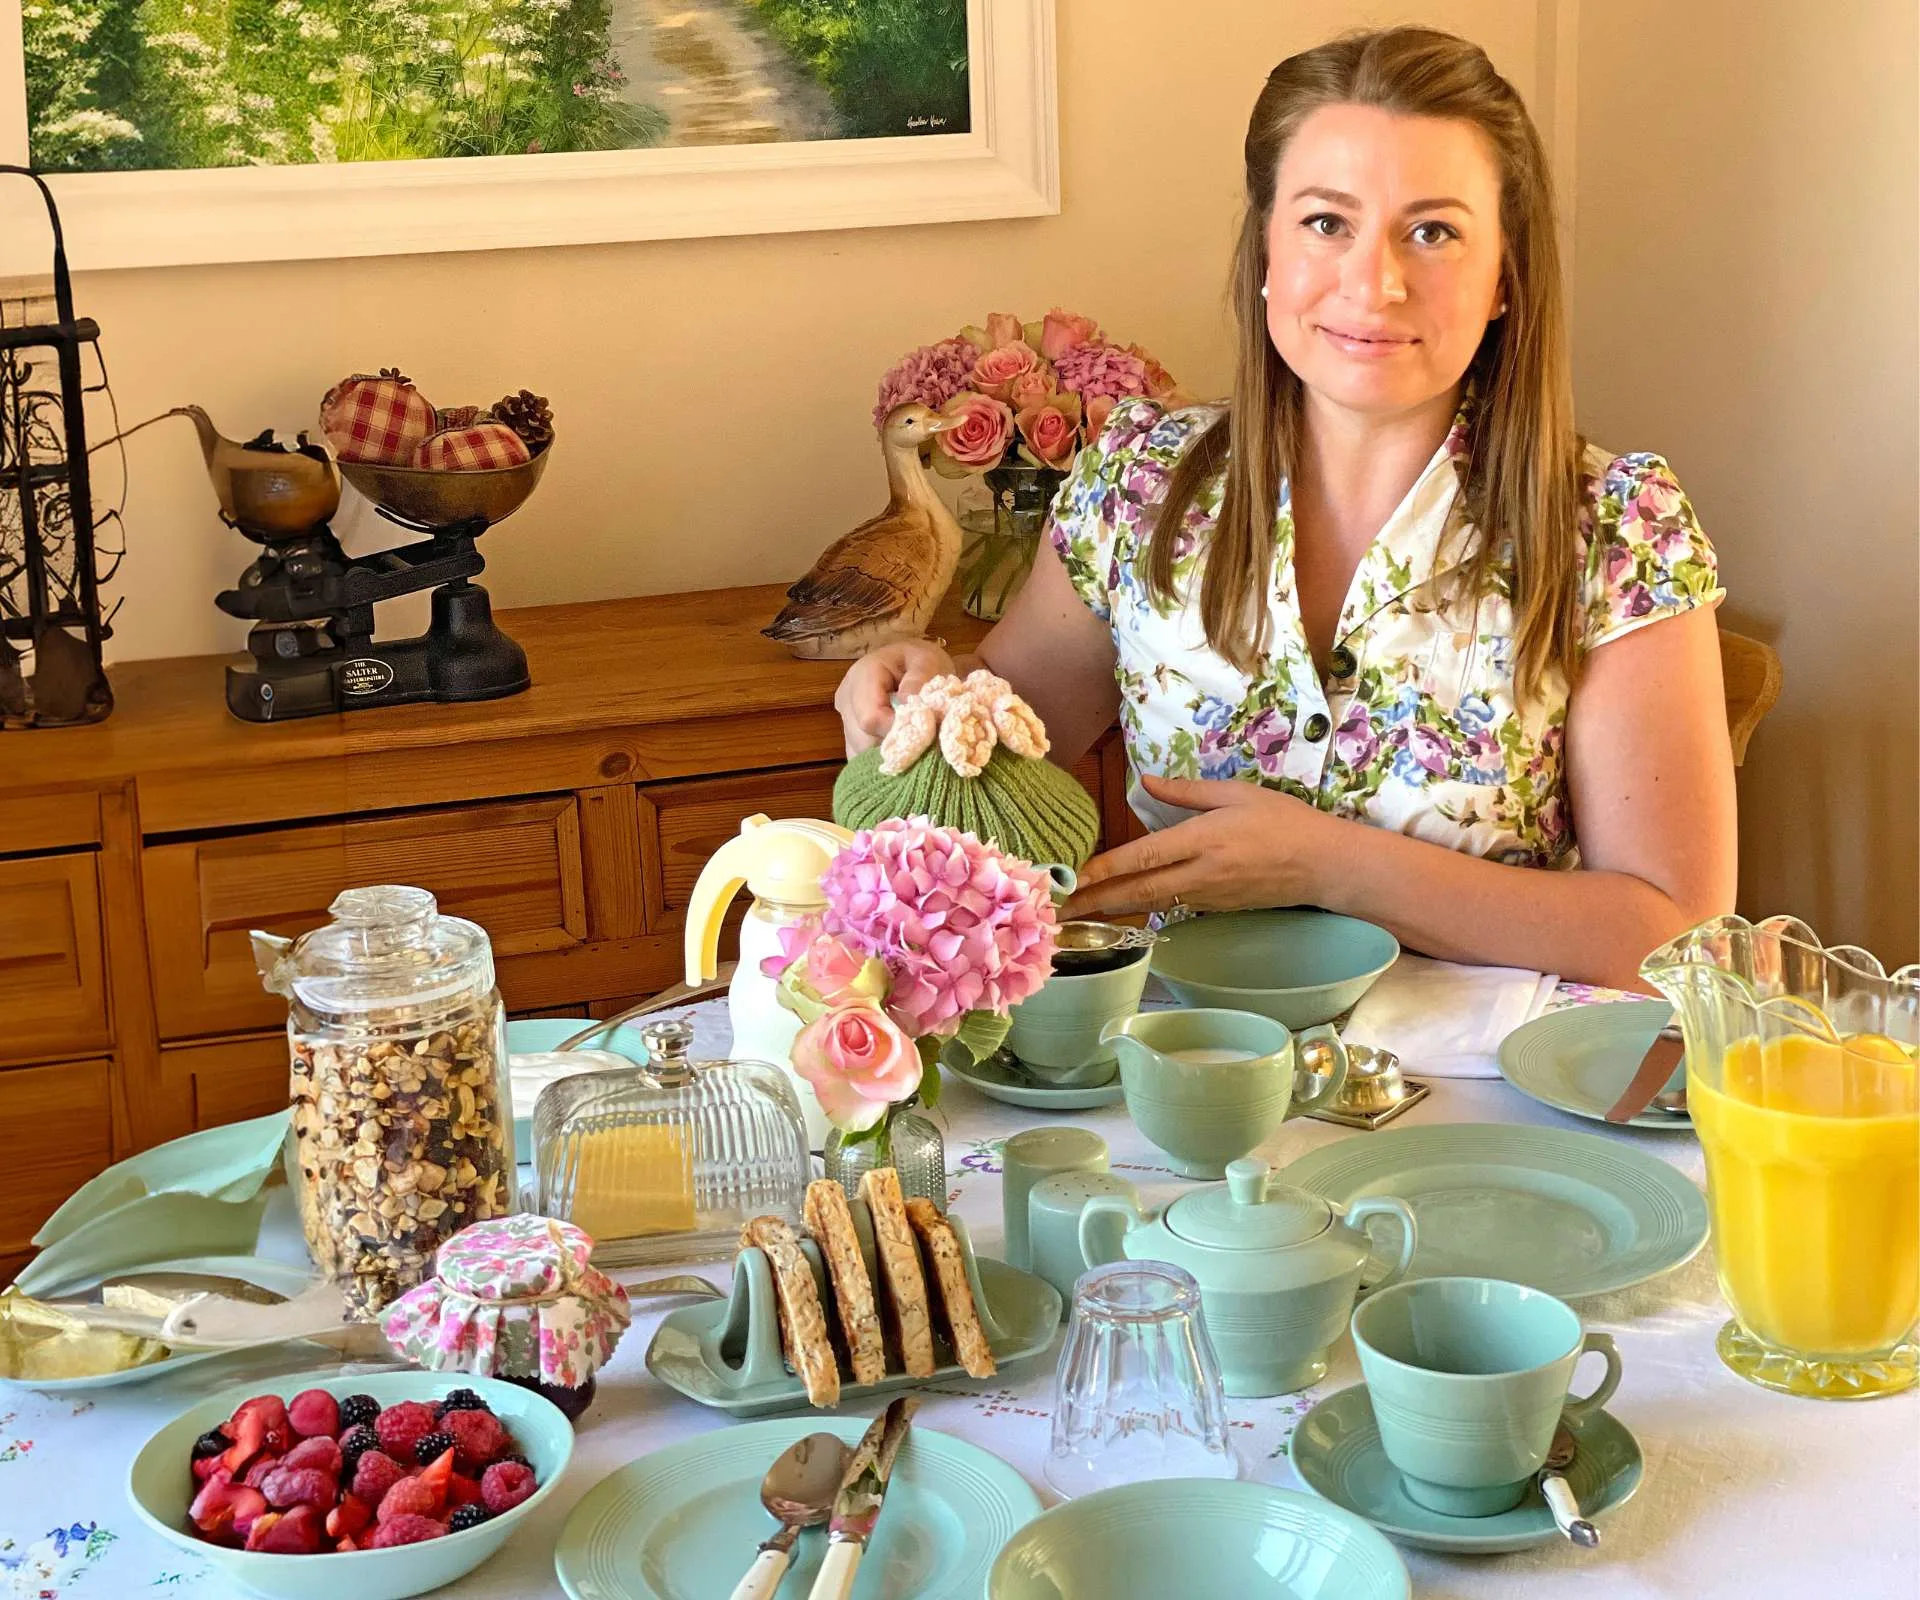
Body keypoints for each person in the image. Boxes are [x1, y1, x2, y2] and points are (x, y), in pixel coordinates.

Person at [835, 26, 1735, 990]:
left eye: (1433, 231)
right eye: (1325, 222)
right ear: (1266, 244)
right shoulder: (1136, 486)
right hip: (1180, 1077)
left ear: (1505, 275)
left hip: (1497, 1111)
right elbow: (991, 771)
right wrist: (920, 699)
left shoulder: (1614, 525)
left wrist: (1333, 864)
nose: (1374, 282)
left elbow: (1674, 936)